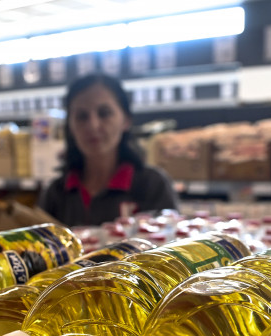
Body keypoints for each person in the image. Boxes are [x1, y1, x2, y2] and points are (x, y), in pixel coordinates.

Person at [38, 73, 179, 226]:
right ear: (70, 126)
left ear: (126, 120)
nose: (93, 125)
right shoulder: (56, 193)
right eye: (82, 116)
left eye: (104, 113)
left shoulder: (153, 185)